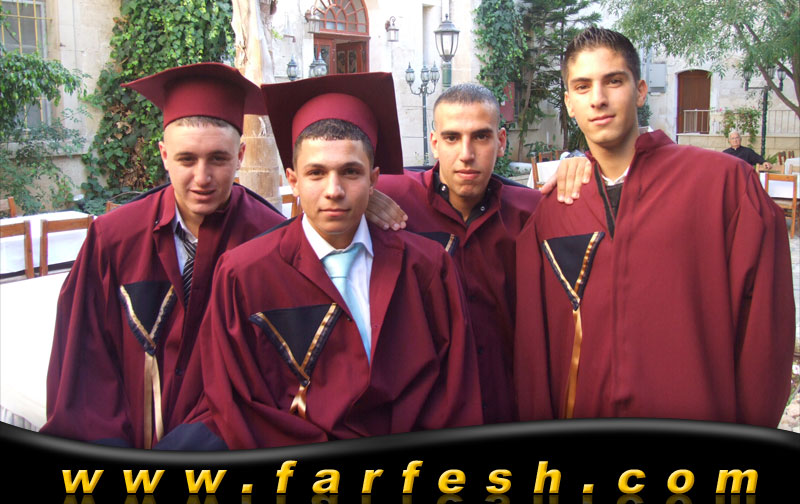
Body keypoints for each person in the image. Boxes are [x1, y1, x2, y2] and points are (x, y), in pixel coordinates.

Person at [159, 72, 483, 450]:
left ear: (374, 179)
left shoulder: (427, 268)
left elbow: (453, 390)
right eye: (316, 173)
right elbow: (237, 400)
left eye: (350, 172)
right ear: (294, 180)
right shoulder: (243, 274)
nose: (334, 190)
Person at [514, 27, 795, 426]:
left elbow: (766, 331)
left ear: (641, 91)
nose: (598, 98)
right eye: (582, 86)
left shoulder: (723, 186)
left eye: (614, 81)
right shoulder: (555, 211)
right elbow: (534, 351)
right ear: (570, 104)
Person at [40, 63, 286, 448]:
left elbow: (274, 378)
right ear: (164, 154)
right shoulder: (113, 239)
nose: (202, 178)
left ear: (240, 155)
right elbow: (85, 366)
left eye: (218, 159)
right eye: (187, 159)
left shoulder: (272, 242)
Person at [375, 83, 591, 424]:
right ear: (434, 143)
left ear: (501, 141)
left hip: (508, 406)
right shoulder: (394, 201)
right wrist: (360, 198)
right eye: (451, 138)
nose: (466, 153)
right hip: (423, 415)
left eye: (480, 136)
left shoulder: (532, 213)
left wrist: (583, 165)